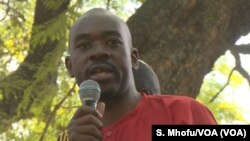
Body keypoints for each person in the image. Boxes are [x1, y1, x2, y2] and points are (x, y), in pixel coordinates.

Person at [59, 8, 217, 141]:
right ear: (70, 67)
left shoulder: (185, 114)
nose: (99, 52)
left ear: (133, 58)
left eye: (113, 42)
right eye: (84, 45)